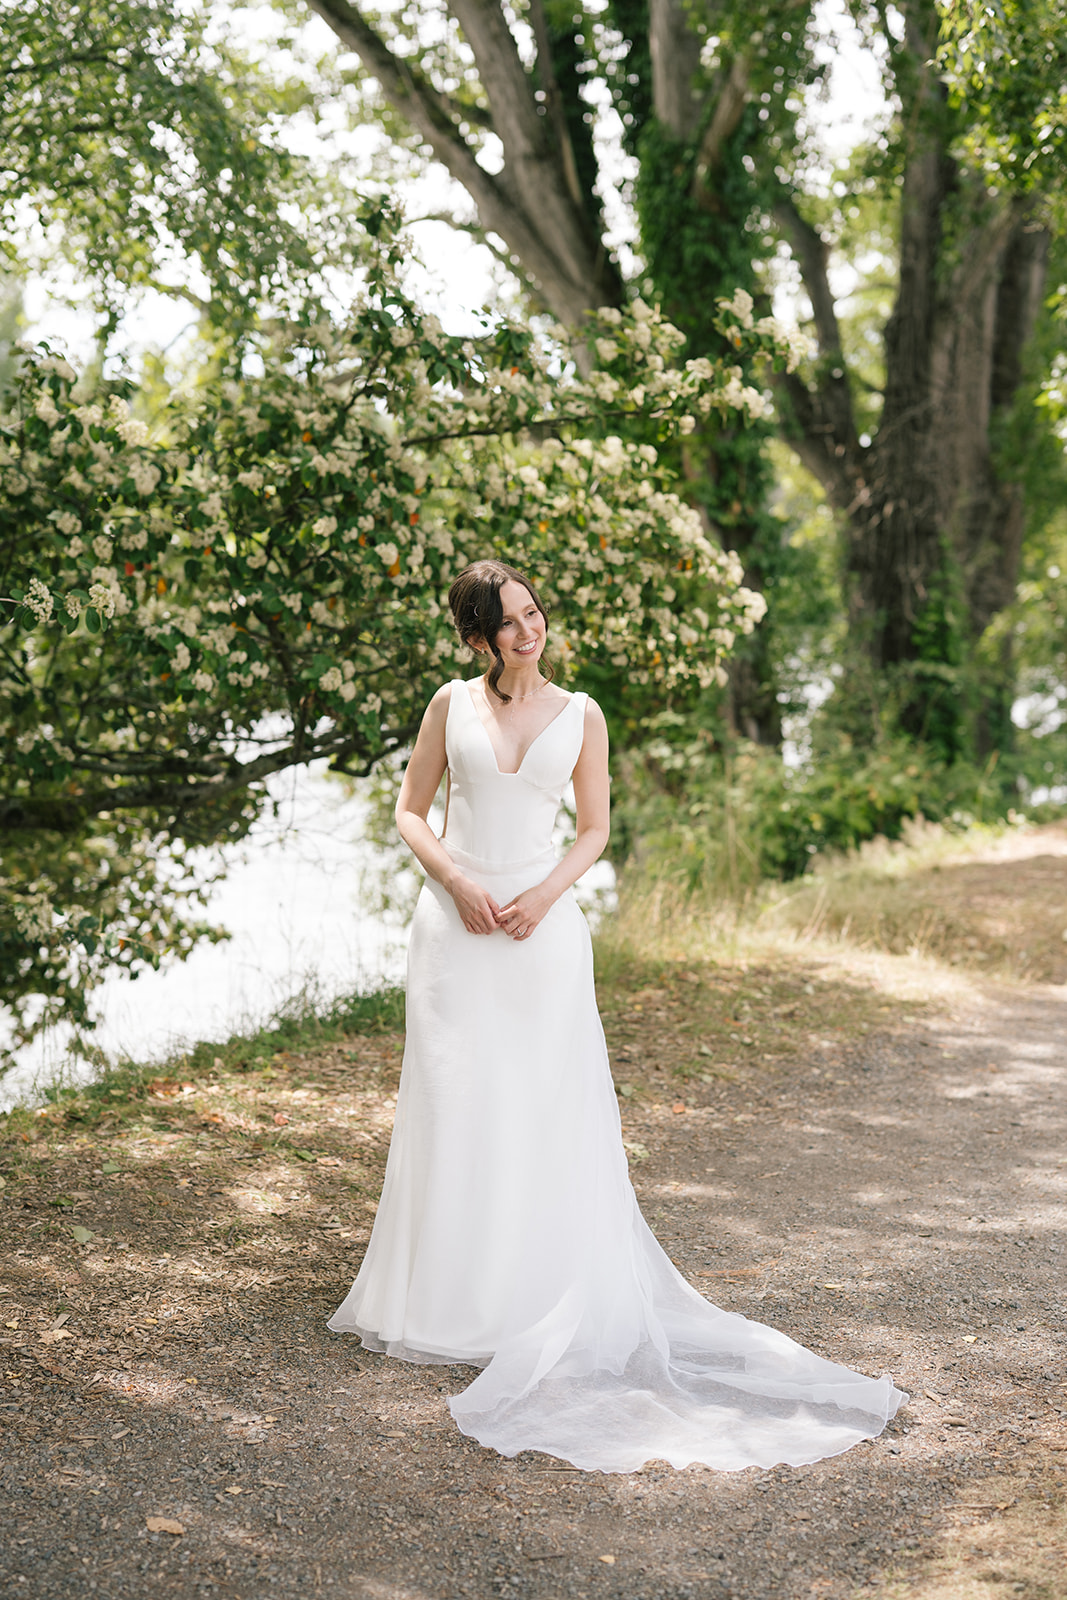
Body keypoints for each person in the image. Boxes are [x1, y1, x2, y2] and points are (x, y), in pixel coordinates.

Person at [328, 558, 907, 1472]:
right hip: (454, 928)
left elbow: (593, 828)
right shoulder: (449, 704)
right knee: (456, 1104)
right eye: (508, 622)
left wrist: (545, 898)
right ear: (477, 637)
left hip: (543, 933)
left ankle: (537, 1296)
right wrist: (459, 883)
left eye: (533, 613)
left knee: (543, 1108)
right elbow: (410, 812)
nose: (530, 631)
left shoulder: (583, 714)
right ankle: (441, 1300)